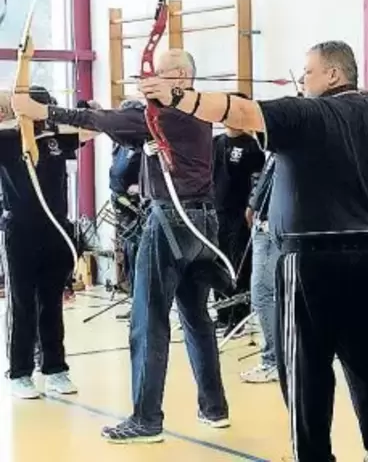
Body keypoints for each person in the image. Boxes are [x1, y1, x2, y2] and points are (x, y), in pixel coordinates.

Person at [138, 40, 368, 462]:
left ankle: (311, 455)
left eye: (309, 72)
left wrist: (174, 97)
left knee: (306, 368)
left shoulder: (306, 114)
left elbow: (239, 114)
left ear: (333, 75)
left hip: (310, 261)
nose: (304, 79)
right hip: (367, 258)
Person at [11, 49, 230, 442]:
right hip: (203, 224)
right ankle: (214, 408)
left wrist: (42, 111)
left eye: (158, 74)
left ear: (180, 77)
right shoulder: (200, 111)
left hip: (170, 222)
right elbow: (116, 121)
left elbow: (99, 119)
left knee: (149, 321)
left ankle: (146, 420)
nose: (148, 80)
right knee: (197, 318)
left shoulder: (164, 114)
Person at [0, 86, 95, 399]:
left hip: (55, 230)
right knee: (22, 304)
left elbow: (87, 130)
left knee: (52, 303)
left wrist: (88, 110)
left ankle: (55, 368)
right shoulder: (8, 138)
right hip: (20, 234)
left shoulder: (56, 137)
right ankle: (19, 372)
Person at [212, 111, 265, 337]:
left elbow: (258, 180)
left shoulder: (251, 146)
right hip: (216, 212)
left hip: (239, 214)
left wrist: (251, 207)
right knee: (217, 262)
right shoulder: (215, 143)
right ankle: (222, 314)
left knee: (238, 264)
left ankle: (239, 316)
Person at [240, 152, 280, 383]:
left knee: (263, 294)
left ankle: (273, 361)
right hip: (262, 226)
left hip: (270, 230)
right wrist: (253, 204)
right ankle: (276, 359)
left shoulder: (287, 148)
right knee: (267, 294)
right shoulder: (273, 152)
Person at [107, 99, 144, 320]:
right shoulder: (120, 142)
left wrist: (140, 187)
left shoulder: (143, 143)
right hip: (121, 208)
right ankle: (135, 303)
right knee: (129, 255)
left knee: (140, 257)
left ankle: (143, 308)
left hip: (138, 208)